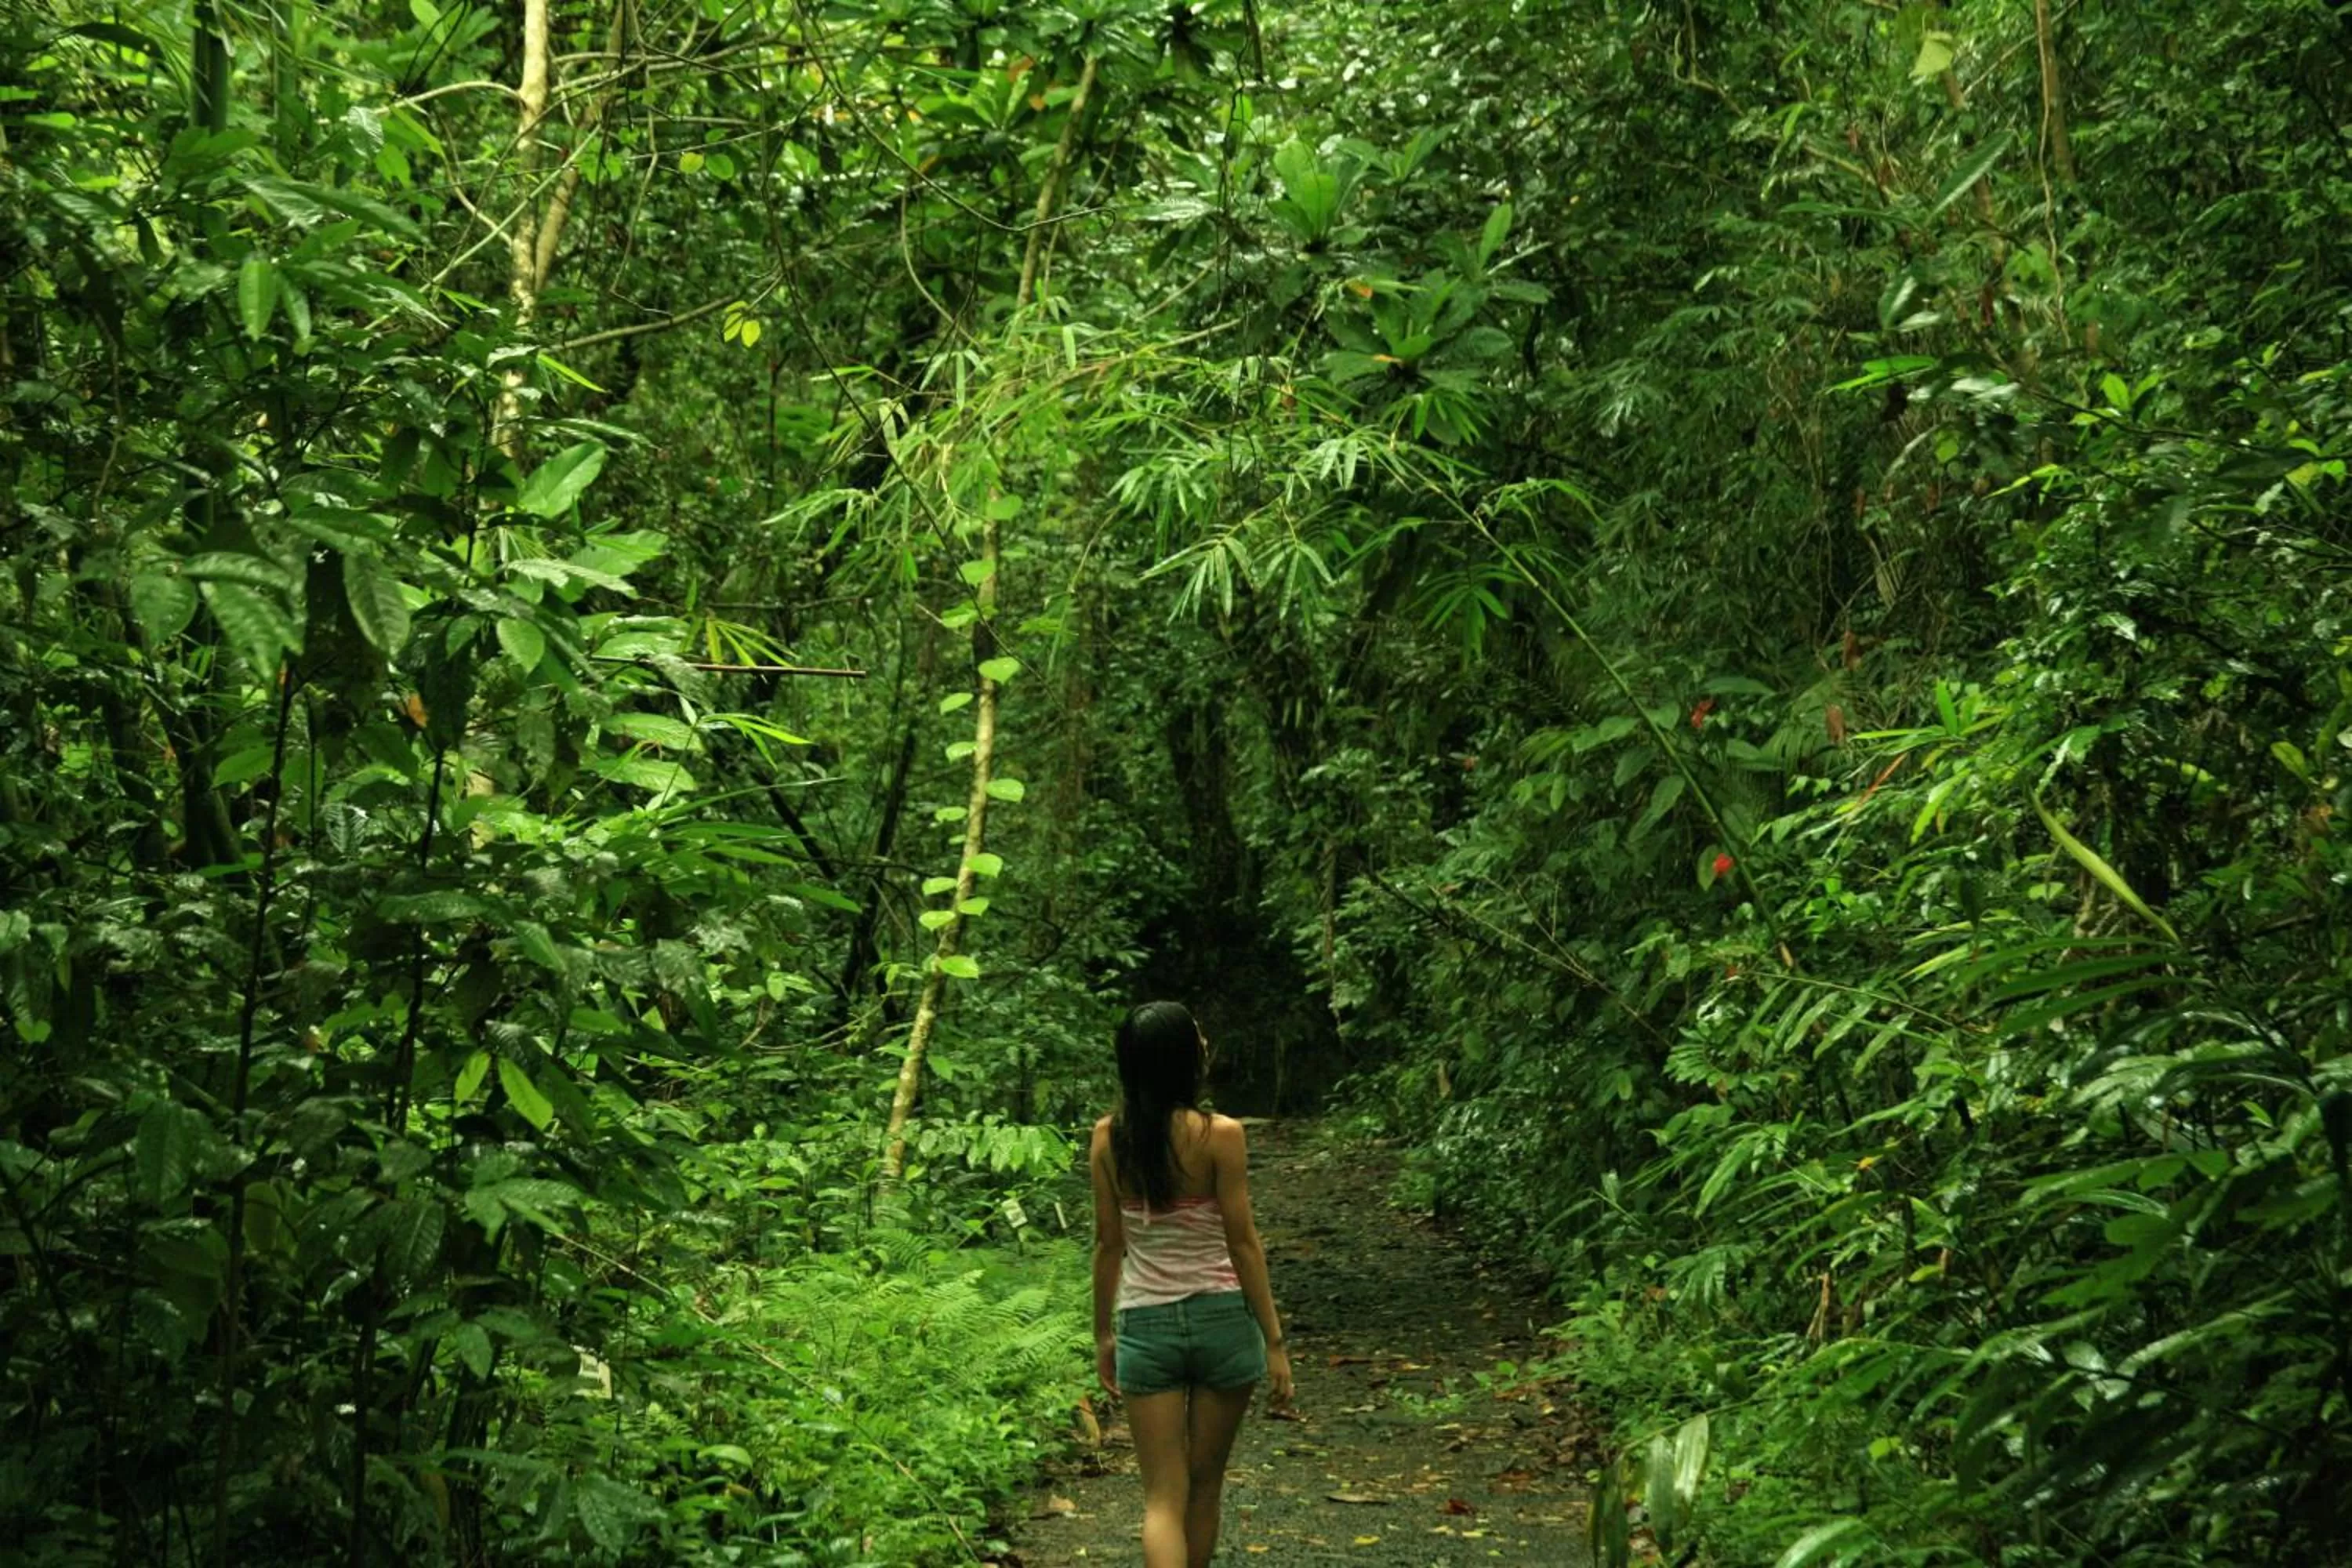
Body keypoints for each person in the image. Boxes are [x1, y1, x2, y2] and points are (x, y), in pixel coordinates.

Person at [1091, 1000, 1294, 1568]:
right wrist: (1274, 1342)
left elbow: (1109, 1245)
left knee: (1161, 1497)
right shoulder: (1221, 1136)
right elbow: (1243, 1243)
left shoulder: (1109, 1140)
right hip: (1223, 1322)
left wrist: (1104, 1334)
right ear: (1185, 1059)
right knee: (1204, 1488)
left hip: (1146, 1326)